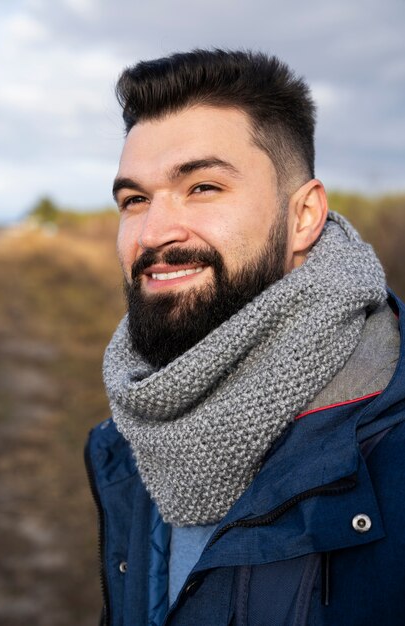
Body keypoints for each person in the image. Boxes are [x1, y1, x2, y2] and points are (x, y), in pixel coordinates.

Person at [85, 49, 405, 626]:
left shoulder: (392, 437)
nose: (154, 232)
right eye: (135, 200)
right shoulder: (128, 437)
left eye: (203, 187)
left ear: (304, 216)